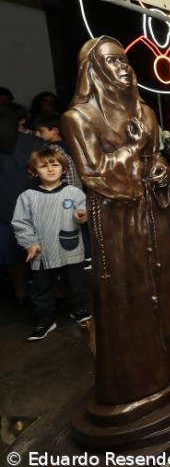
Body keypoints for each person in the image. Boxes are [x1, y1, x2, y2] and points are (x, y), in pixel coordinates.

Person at [60, 35, 170, 406]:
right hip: (118, 223)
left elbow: (158, 158)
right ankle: (136, 382)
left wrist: (161, 172)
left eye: (124, 60)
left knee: (164, 286)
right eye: (112, 62)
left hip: (153, 214)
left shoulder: (144, 111)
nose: (123, 68)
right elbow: (95, 174)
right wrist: (133, 151)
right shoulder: (79, 118)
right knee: (128, 295)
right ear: (93, 72)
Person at [12, 146, 91, 340]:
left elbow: (85, 210)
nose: (50, 169)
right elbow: (21, 223)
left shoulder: (74, 192)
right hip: (42, 253)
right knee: (41, 290)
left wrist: (83, 216)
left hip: (70, 250)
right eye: (44, 166)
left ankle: (78, 310)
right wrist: (30, 243)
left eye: (55, 164)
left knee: (76, 285)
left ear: (63, 169)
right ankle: (45, 321)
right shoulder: (27, 197)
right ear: (33, 171)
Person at [0, 105, 41, 304]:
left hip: (4, 211)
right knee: (41, 254)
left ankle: (21, 293)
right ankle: (56, 293)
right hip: (35, 208)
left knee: (13, 259)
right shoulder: (33, 142)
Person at [33, 114, 82, 188]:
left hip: (63, 190)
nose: (37, 134)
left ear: (55, 131)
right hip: (76, 187)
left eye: (41, 131)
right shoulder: (68, 144)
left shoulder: (53, 149)